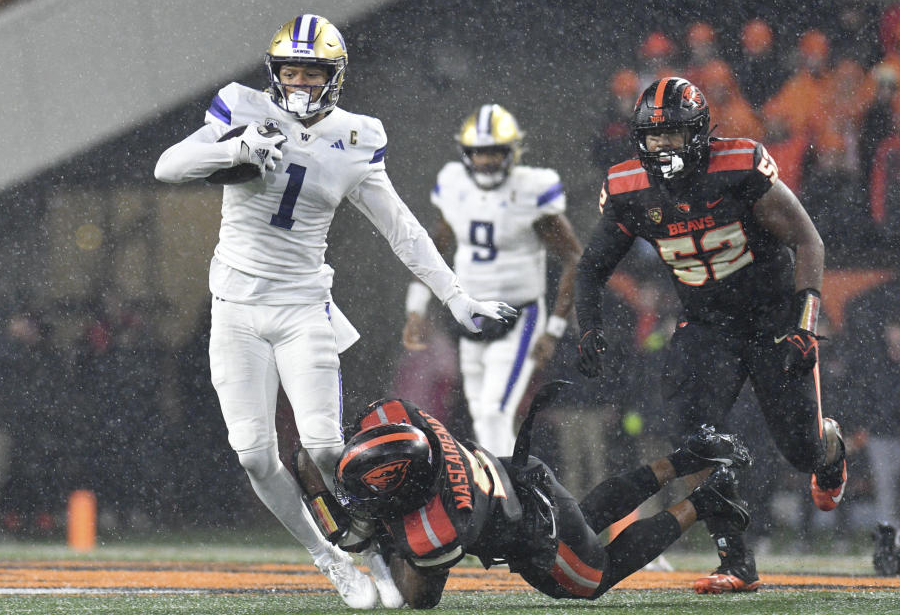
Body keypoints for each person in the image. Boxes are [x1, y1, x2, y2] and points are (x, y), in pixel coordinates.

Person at [153, 14, 516, 610]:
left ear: (335, 77)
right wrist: (236, 147)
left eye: (311, 71)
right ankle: (331, 561)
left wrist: (457, 298)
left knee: (325, 448)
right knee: (253, 455)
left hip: (302, 307)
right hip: (235, 308)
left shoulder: (356, 136)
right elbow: (169, 167)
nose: (298, 81)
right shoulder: (242, 108)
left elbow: (401, 229)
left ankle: (373, 547)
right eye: (290, 70)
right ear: (273, 73)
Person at [574, 76, 847, 594]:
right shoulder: (631, 188)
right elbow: (591, 269)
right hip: (707, 325)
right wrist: (589, 328)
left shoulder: (737, 168)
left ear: (698, 133)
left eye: (672, 136)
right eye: (652, 138)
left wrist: (805, 323)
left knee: (800, 452)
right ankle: (736, 561)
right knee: (697, 442)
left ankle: (828, 449)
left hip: (770, 319)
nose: (661, 148)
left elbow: (807, 239)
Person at [325, 393, 751, 609]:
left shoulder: (444, 525)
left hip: (535, 534)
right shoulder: (403, 418)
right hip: (526, 479)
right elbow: (377, 419)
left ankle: (705, 500)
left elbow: (418, 597)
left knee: (591, 578)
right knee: (582, 520)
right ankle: (688, 458)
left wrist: (377, 534)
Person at [401, 104, 582, 455]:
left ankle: (506, 497)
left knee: (495, 412)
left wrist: (554, 329)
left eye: (494, 152)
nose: (485, 162)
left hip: (519, 314)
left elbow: (573, 256)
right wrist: (416, 308)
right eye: (479, 153)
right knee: (480, 415)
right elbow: (432, 249)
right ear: (465, 153)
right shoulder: (454, 185)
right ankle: (508, 489)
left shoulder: (531, 189)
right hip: (472, 314)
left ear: (512, 152)